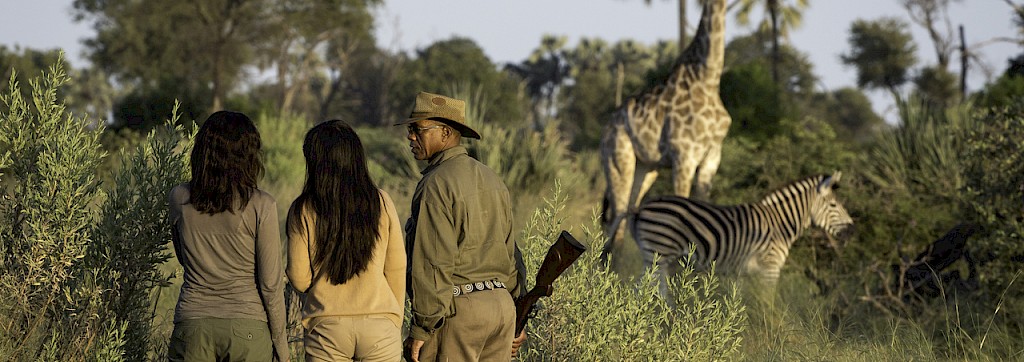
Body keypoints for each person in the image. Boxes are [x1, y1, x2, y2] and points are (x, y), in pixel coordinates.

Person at [398, 91, 525, 362]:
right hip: (501, 310)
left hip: (460, 314)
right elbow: (512, 253)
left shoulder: (435, 185)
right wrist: (518, 313)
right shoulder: (493, 179)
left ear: (445, 133)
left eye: (418, 129)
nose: (410, 137)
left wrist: (422, 327)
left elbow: (433, 262)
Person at [167, 110, 288, 362]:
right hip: (248, 329)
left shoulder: (179, 198)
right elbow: (270, 285)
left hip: (192, 324)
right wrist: (281, 346)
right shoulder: (261, 205)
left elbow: (183, 257)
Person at [286, 120, 406, 361]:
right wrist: (395, 319)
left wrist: (323, 293)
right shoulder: (381, 201)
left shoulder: (303, 208)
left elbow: (299, 278)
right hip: (380, 326)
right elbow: (396, 266)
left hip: (327, 328)